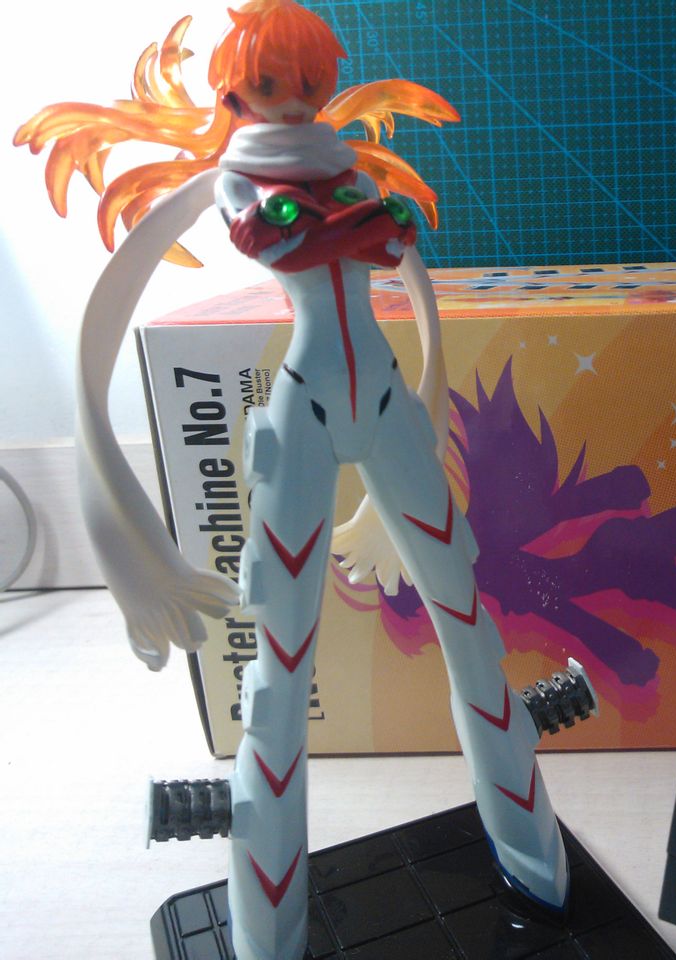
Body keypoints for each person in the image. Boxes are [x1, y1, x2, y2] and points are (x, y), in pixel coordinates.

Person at [16, 4, 569, 958]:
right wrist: (360, 220)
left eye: (309, 82)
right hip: (306, 413)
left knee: (471, 631)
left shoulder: (341, 173)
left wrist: (357, 222)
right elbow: (293, 244)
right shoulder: (248, 178)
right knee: (278, 673)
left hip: (388, 405)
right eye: (272, 84)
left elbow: (388, 254)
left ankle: (534, 860)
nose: (295, 99)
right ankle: (270, 928)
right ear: (235, 92)